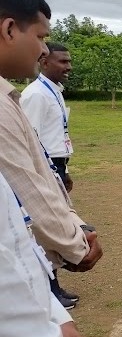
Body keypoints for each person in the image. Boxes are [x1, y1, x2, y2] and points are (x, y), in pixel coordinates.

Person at [0, 0, 85, 337]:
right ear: (10, 29)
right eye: (42, 38)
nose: (44, 51)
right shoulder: (20, 99)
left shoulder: (17, 95)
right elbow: (25, 192)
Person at [20, 42, 79, 309]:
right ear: (45, 63)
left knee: (55, 224)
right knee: (44, 228)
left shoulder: (54, 91)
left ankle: (54, 285)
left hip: (56, 163)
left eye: (69, 61)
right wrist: (48, 172)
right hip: (42, 166)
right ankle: (50, 289)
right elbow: (29, 140)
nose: (68, 67)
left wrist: (63, 169)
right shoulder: (36, 95)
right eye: (62, 62)